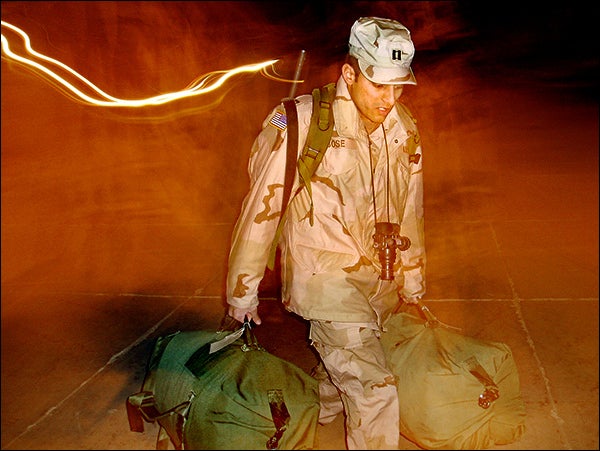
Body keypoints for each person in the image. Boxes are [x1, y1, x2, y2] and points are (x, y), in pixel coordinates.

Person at [225, 16, 426, 450]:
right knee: (375, 390)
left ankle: (302, 411)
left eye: (398, 87)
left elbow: (411, 205)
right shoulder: (302, 123)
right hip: (324, 278)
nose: (389, 99)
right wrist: (243, 289)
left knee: (345, 370)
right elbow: (262, 208)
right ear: (349, 73)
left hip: (377, 278)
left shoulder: (402, 128)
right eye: (378, 85)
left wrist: (412, 272)